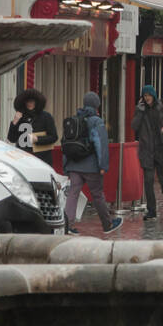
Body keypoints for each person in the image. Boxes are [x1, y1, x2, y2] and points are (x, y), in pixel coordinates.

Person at [62, 91, 121, 235]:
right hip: (91, 166)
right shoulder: (96, 121)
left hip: (74, 165)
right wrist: (103, 165)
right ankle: (107, 225)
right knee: (97, 195)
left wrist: (66, 166)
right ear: (96, 105)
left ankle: (68, 225)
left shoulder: (75, 119)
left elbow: (66, 143)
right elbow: (100, 144)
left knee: (73, 194)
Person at [132, 85, 163, 221]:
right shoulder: (140, 109)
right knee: (148, 181)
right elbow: (134, 127)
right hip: (147, 150)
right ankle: (151, 210)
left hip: (162, 150)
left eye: (149, 95)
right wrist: (139, 111)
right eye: (145, 95)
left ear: (153, 95)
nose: (147, 98)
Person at [7, 87, 58, 158]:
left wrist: (37, 139)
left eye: (32, 101)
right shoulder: (21, 117)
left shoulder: (46, 116)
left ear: (37, 102)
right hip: (23, 158)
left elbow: (54, 137)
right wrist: (15, 122)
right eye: (27, 101)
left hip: (41, 158)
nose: (29, 103)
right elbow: (11, 139)